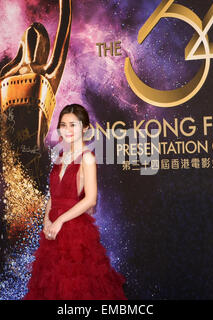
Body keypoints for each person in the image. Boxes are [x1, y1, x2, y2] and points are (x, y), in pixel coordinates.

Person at [23, 104, 127, 300]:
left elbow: (90, 199)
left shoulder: (87, 158)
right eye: (63, 125)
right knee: (50, 287)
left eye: (73, 125)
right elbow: (53, 195)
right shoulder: (59, 157)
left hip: (75, 232)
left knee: (75, 289)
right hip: (52, 232)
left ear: (85, 128)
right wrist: (46, 220)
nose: (67, 130)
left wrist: (61, 220)